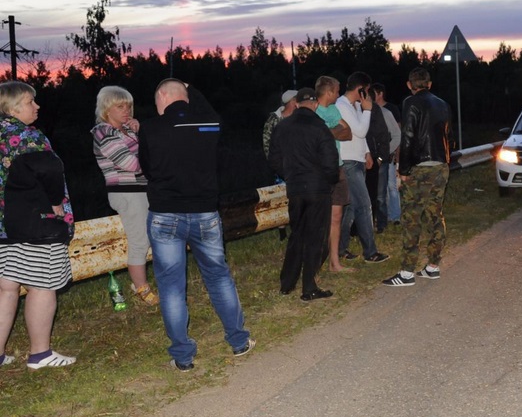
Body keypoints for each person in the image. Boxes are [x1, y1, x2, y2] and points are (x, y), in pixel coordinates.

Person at [138, 79, 254, 371]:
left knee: (172, 286)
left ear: (163, 96)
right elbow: (211, 114)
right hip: (205, 213)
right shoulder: (209, 124)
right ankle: (238, 341)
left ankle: (183, 357)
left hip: (165, 215)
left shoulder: (150, 128)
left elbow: (147, 169)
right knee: (218, 276)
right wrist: (191, 88)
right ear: (187, 97)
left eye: (157, 100)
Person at [0, 81, 76, 369]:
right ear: (14, 106)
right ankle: (40, 354)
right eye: (31, 101)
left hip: (5, 228)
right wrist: (56, 203)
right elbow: (49, 169)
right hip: (36, 224)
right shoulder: (26, 135)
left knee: (7, 287)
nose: (37, 106)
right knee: (42, 285)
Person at [382, 67, 452, 287]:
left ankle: (406, 273)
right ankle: (433, 266)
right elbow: (450, 137)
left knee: (411, 218)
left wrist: (403, 171)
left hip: (420, 168)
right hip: (441, 166)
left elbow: (408, 137)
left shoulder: (410, 102)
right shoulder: (443, 104)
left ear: (409, 85)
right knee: (435, 215)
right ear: (429, 84)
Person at [268, 88, 338, 301]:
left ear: (297, 103)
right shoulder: (320, 127)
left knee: (297, 233)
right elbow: (330, 161)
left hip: (296, 188)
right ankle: (309, 287)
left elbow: (274, 158)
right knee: (315, 236)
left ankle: (286, 284)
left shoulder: (282, 126)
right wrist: (329, 181)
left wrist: (289, 175)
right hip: (318, 189)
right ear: (316, 104)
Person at [92, 85, 159, 307]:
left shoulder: (127, 130)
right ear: (106, 109)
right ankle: (141, 288)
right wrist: (155, 159)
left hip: (142, 190)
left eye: (128, 105)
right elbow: (131, 164)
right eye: (120, 106)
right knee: (139, 241)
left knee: (149, 237)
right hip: (126, 192)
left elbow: (143, 156)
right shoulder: (103, 132)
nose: (126, 110)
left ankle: (143, 282)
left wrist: (139, 133)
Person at [335, 72, 388, 264]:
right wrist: (367, 111)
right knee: (364, 205)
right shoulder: (341, 106)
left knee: (350, 209)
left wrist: (366, 153)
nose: (368, 95)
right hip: (348, 162)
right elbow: (359, 129)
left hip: (357, 160)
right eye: (366, 91)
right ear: (360, 90)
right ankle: (370, 252)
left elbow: (361, 135)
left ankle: (340, 248)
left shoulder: (355, 105)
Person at [312, 76, 353, 273]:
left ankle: (334, 263)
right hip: (319, 170)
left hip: (338, 167)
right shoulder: (312, 110)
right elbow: (314, 138)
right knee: (319, 218)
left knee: (336, 217)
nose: (338, 94)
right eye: (336, 91)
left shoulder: (333, 110)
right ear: (328, 92)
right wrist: (333, 132)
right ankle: (315, 262)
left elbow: (349, 132)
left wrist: (328, 133)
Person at [370, 83, 402, 232]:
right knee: (372, 192)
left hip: (384, 159)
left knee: (386, 190)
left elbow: (396, 135)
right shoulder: (359, 114)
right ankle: (372, 221)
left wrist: (385, 154)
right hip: (368, 160)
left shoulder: (386, 113)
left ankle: (390, 219)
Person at [364, 84, 393, 234]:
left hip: (377, 159)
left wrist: (382, 157)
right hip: (362, 160)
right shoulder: (355, 110)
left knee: (379, 195)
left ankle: (381, 225)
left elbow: (385, 135)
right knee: (366, 196)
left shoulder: (378, 111)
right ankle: (367, 225)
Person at [262, 90, 298, 158]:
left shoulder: (300, 118)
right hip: (280, 164)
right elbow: (267, 143)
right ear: (293, 101)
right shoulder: (273, 120)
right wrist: (275, 163)